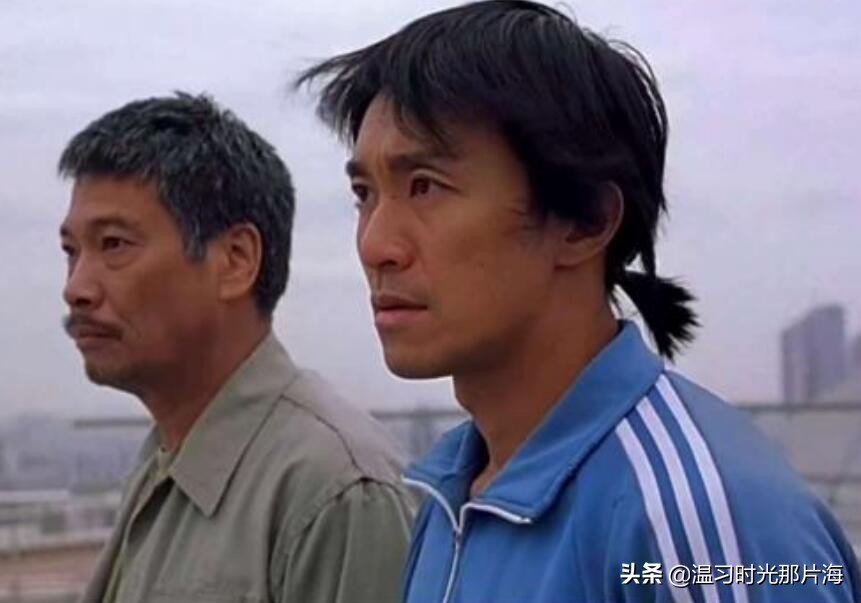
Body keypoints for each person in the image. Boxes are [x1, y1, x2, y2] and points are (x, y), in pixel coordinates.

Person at [298, 2, 861, 601]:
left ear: (586, 220)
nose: (375, 245)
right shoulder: (451, 494)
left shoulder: (695, 518)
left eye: (425, 187)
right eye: (364, 194)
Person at [58, 92, 413, 603]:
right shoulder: (164, 463)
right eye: (71, 251)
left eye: (113, 244)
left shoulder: (335, 490)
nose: (77, 287)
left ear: (236, 260)